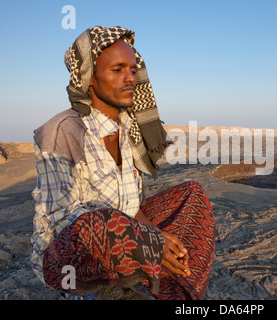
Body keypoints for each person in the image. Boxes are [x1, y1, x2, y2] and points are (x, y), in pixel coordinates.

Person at [30, 26, 215, 300]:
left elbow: (131, 209)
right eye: (117, 70)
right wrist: (151, 242)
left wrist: (158, 239)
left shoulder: (127, 127)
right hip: (69, 256)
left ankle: (179, 294)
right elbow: (64, 220)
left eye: (132, 69)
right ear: (89, 78)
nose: (130, 78)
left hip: (123, 239)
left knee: (192, 194)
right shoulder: (62, 131)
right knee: (103, 220)